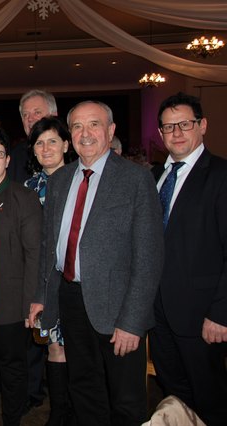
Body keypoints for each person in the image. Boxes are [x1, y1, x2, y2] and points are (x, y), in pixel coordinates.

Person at [29, 101, 164, 426]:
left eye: (94, 125)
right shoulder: (60, 180)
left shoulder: (135, 180)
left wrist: (132, 322)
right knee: (84, 389)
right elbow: (50, 248)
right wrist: (42, 297)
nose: (85, 133)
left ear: (111, 131)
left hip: (118, 307)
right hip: (71, 301)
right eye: (77, 126)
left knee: (125, 398)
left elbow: (149, 257)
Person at [150, 92, 227, 425]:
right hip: (160, 314)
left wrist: (221, 314)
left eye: (184, 124)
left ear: (203, 126)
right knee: (175, 395)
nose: (176, 133)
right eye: (168, 127)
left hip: (202, 318)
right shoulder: (156, 177)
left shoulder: (221, 176)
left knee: (211, 398)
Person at [0, 129, 42, 426]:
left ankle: (13, 417)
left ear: (7, 160)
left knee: (13, 367)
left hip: (11, 301)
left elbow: (35, 254)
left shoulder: (23, 197)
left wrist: (31, 302)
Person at [24, 117, 72, 425]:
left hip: (75, 282)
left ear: (66, 145)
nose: (46, 148)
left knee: (79, 354)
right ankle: (59, 413)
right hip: (43, 285)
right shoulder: (29, 188)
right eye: (39, 143)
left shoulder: (83, 181)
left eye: (53, 141)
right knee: (53, 348)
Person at [9, 90, 58, 185]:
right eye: (25, 114)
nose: (30, 119)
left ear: (53, 115)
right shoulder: (16, 155)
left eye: (37, 112)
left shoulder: (72, 152)